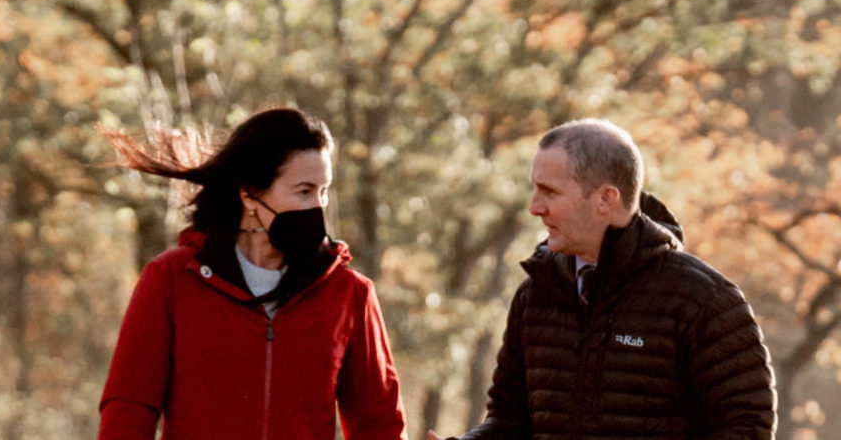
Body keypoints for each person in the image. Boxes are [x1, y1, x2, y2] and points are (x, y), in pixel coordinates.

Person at [448, 119, 775, 440]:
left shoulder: (705, 300)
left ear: (606, 198)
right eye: (535, 190)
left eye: (549, 192)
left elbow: (748, 427)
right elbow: (509, 418)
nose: (535, 207)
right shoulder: (535, 295)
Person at [98, 108, 406, 439]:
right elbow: (128, 412)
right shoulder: (171, 279)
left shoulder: (350, 294)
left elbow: (379, 425)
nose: (318, 206)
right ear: (249, 195)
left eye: (324, 190)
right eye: (304, 191)